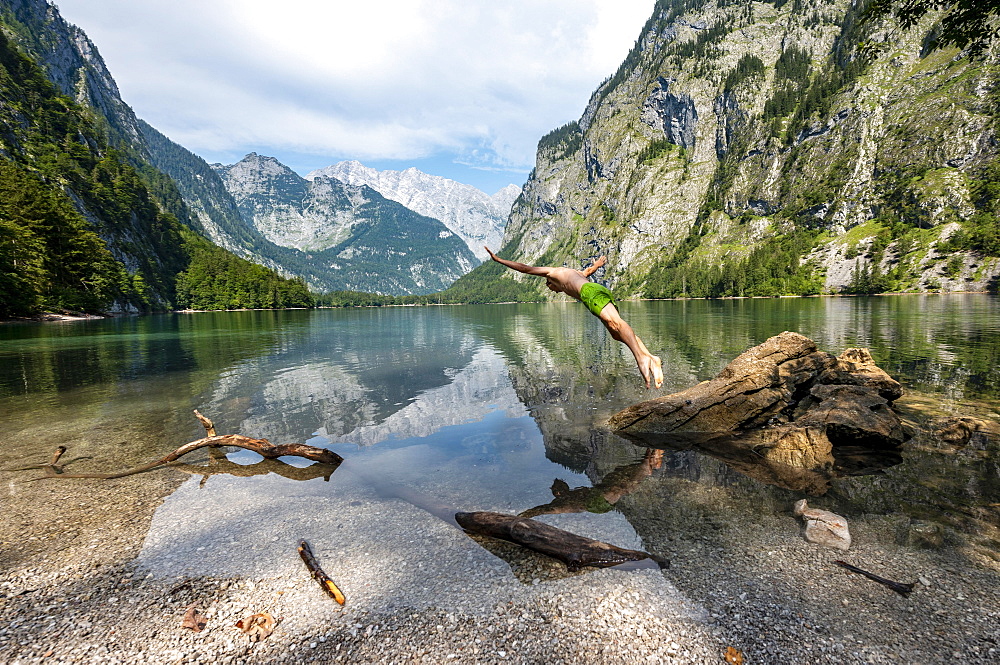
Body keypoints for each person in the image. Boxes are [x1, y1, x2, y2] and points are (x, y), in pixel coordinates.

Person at [485, 247, 663, 389]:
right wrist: (599, 264)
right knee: (616, 333)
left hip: (589, 293)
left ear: (550, 282)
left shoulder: (553, 273)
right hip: (595, 291)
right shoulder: (576, 274)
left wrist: (499, 260)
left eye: (551, 288)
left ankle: (640, 357)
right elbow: (589, 270)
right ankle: (651, 357)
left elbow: (526, 269)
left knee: (616, 323)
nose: (553, 290)